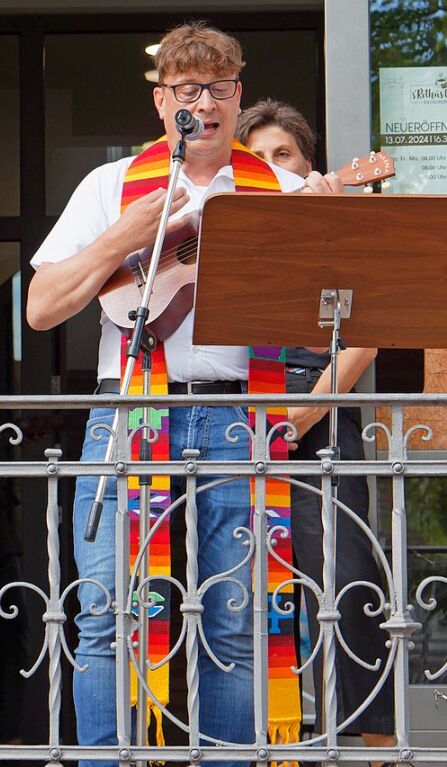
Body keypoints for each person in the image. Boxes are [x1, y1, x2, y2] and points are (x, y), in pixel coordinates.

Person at [26, 23, 344, 767]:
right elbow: (42, 306)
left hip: (240, 412)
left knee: (235, 618)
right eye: (186, 89)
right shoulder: (109, 186)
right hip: (129, 406)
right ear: (161, 100)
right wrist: (126, 234)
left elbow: (338, 310)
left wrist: (324, 234)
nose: (203, 101)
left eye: (219, 87)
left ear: (237, 97)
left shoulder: (287, 190)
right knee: (111, 614)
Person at [237, 99, 395, 764]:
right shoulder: (228, 228)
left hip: (319, 408)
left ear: (310, 167)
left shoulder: (338, 231)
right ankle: (262, 743)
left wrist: (306, 410)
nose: (273, 168)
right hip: (234, 411)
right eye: (259, 159)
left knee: (347, 582)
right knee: (240, 587)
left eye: (285, 156)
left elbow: (371, 325)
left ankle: (372, 745)